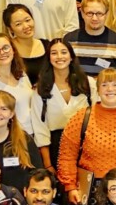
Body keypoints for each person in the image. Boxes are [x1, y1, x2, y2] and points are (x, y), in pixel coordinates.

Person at [57, 68, 116, 205]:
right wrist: (70, 186)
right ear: (97, 90)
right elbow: (66, 156)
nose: (110, 89)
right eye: (104, 85)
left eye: (115, 84)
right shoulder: (81, 117)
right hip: (93, 190)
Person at [32, 39, 97, 173]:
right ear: (49, 58)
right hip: (56, 147)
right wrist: (48, 165)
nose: (59, 57)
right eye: (54, 53)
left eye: (63, 52)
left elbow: (98, 116)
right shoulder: (41, 89)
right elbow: (40, 129)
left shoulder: (87, 83)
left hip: (87, 145)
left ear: (71, 56)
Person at [0, 33, 36, 136]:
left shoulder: (20, 73)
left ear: (13, 50)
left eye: (5, 48)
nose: (2, 52)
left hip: (34, 133)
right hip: (14, 137)